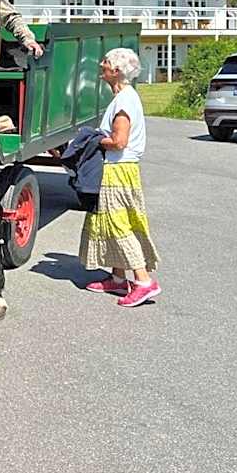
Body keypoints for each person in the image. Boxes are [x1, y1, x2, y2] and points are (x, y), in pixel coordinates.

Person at [80, 48, 161, 307]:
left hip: (118, 169)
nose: (101, 65)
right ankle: (117, 278)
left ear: (116, 71)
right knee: (114, 221)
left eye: (105, 62)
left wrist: (92, 139)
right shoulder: (123, 97)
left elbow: (119, 141)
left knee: (118, 225)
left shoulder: (124, 101)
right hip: (120, 168)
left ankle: (144, 281)